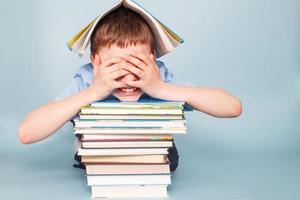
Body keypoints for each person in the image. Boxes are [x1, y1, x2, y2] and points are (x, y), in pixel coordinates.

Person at [18, 7, 242, 172]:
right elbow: (26, 133)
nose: (127, 79)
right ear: (95, 63)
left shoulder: (158, 76)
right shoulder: (88, 78)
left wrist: (161, 88)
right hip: (98, 151)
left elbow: (232, 107)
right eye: (115, 67)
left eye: (137, 66)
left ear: (152, 61)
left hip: (153, 152)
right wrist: (94, 92)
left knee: (165, 160)